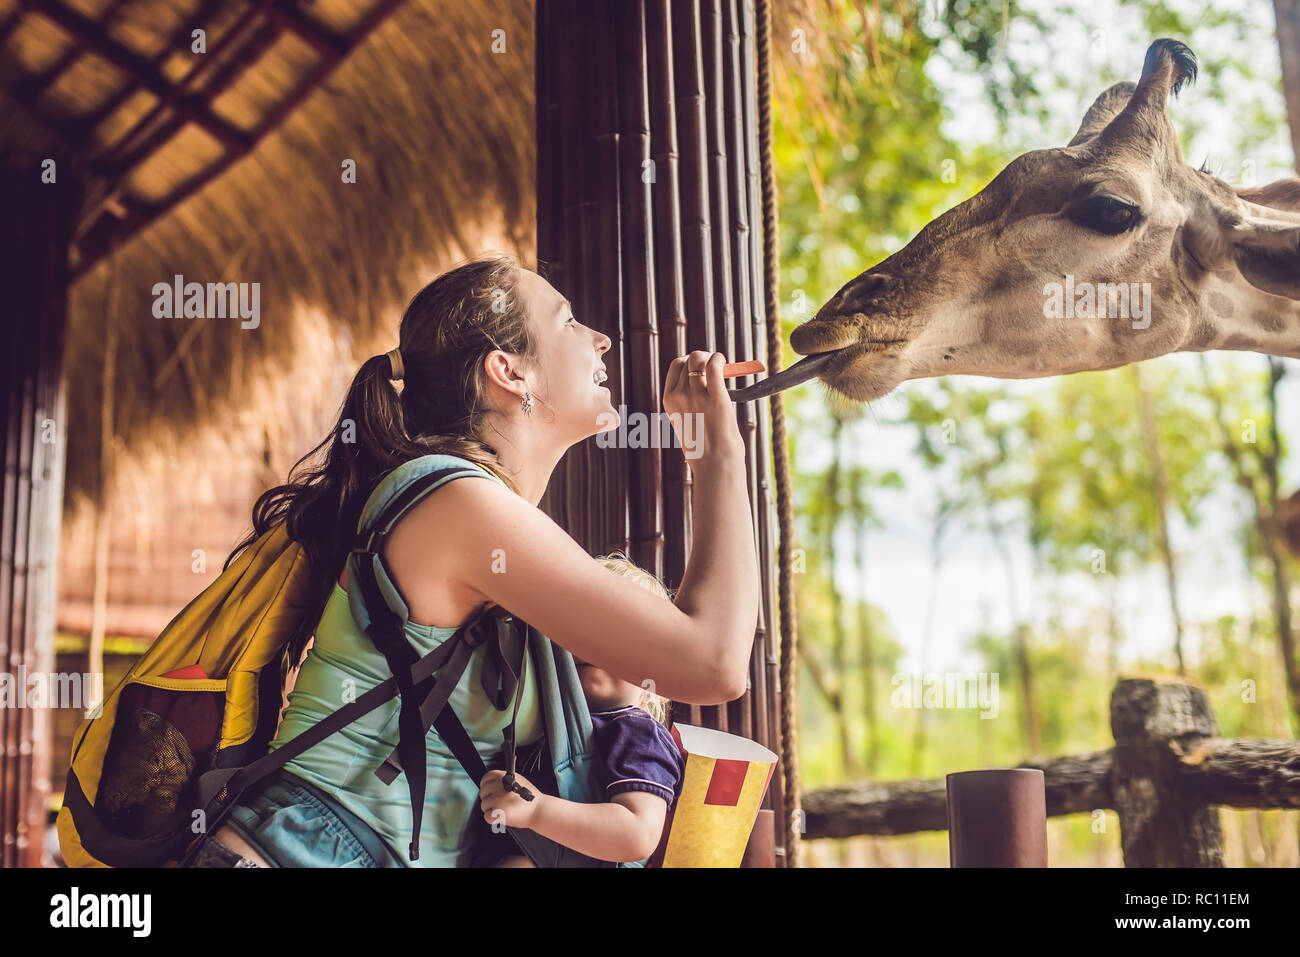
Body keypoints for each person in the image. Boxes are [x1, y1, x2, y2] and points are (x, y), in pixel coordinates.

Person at [188, 253, 759, 868]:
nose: (602, 339)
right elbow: (714, 662)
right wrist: (719, 452)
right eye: (569, 322)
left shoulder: (472, 509)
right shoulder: (460, 503)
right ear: (508, 372)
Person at [478, 553, 683, 867]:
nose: (597, 646)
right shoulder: (533, 715)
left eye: (623, 636)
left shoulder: (636, 731)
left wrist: (538, 811)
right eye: (583, 628)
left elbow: (637, 834)